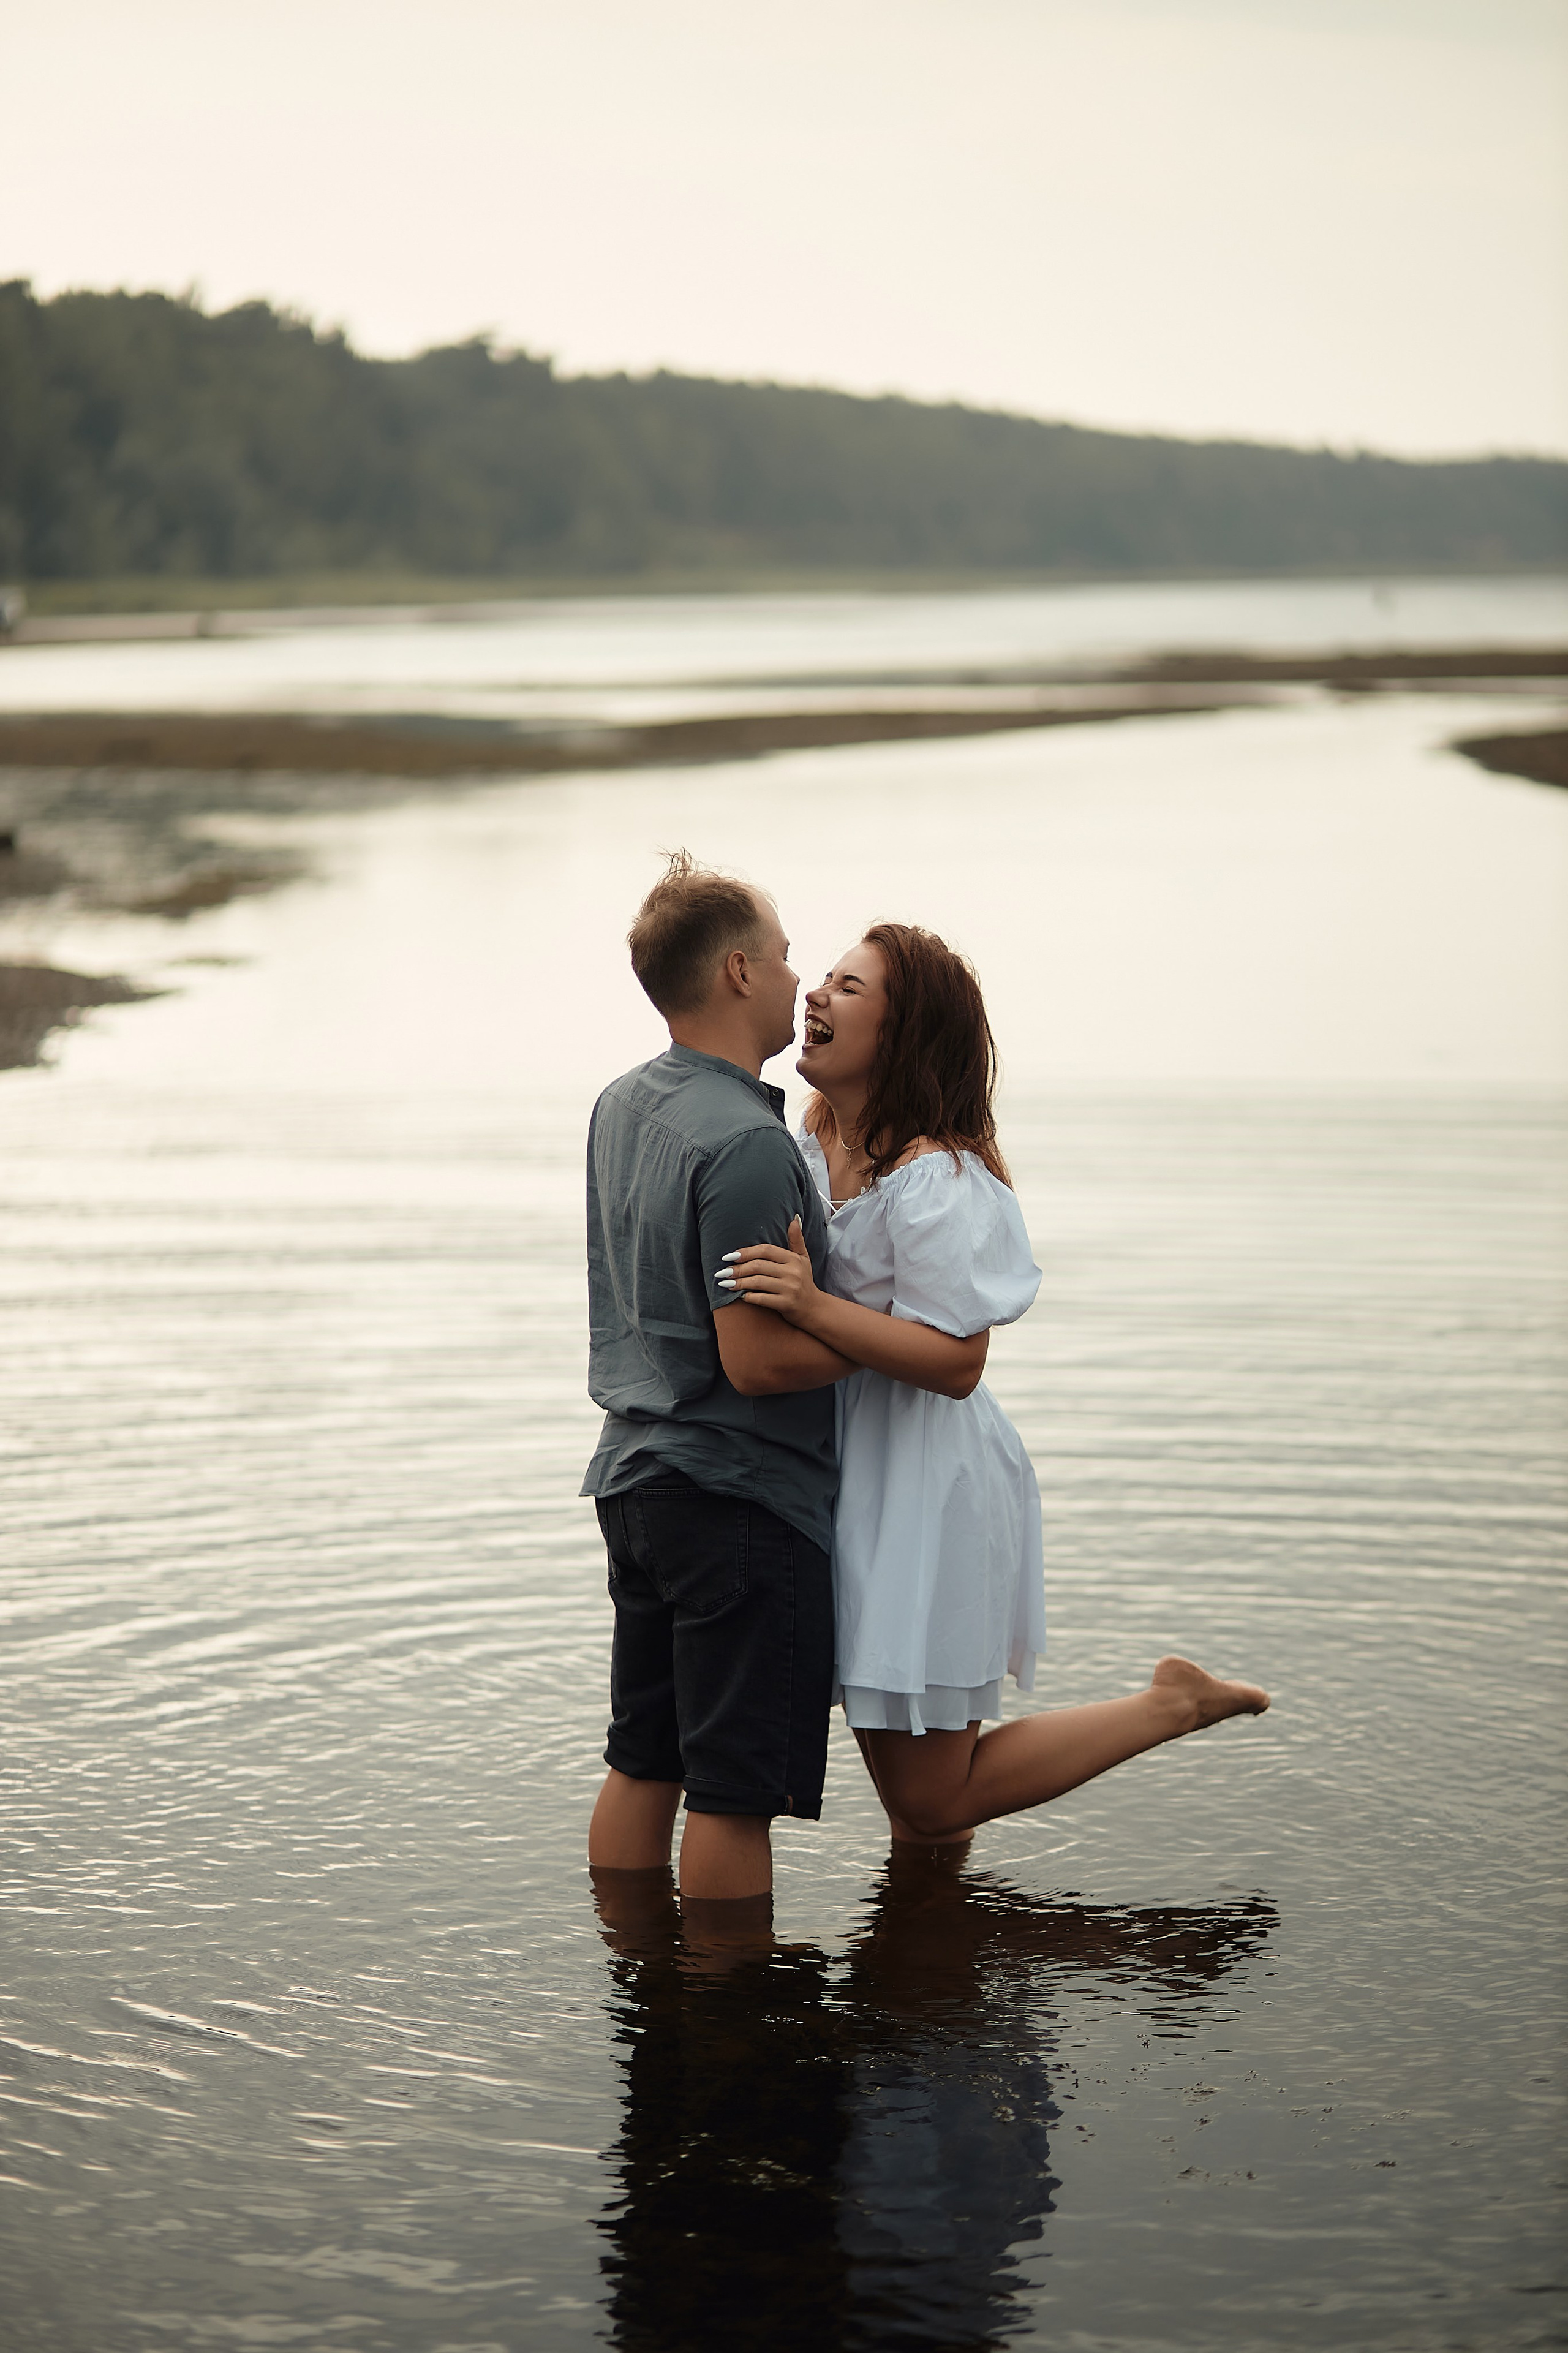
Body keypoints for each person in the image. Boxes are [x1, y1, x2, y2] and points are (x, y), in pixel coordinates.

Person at [720, 923, 1270, 1846]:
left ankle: (1169, 1704)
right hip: (853, 1472)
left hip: (929, 1481)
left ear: (902, 1037)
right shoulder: (810, 1141)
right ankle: (935, 1953)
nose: (815, 995)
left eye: (849, 989)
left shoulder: (937, 1175)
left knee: (932, 1798)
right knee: (923, 1804)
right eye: (822, 979)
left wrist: (813, 1309)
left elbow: (956, 1360)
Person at [581, 852, 855, 1906]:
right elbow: (756, 1357)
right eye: (786, 958)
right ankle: (732, 2032)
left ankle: (638, 1988)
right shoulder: (747, 1142)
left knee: (644, 1756)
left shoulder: (620, 1103)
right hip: (736, 1497)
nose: (800, 981)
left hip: (635, 1483)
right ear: (739, 971)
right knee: (734, 1794)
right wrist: (883, 1344)